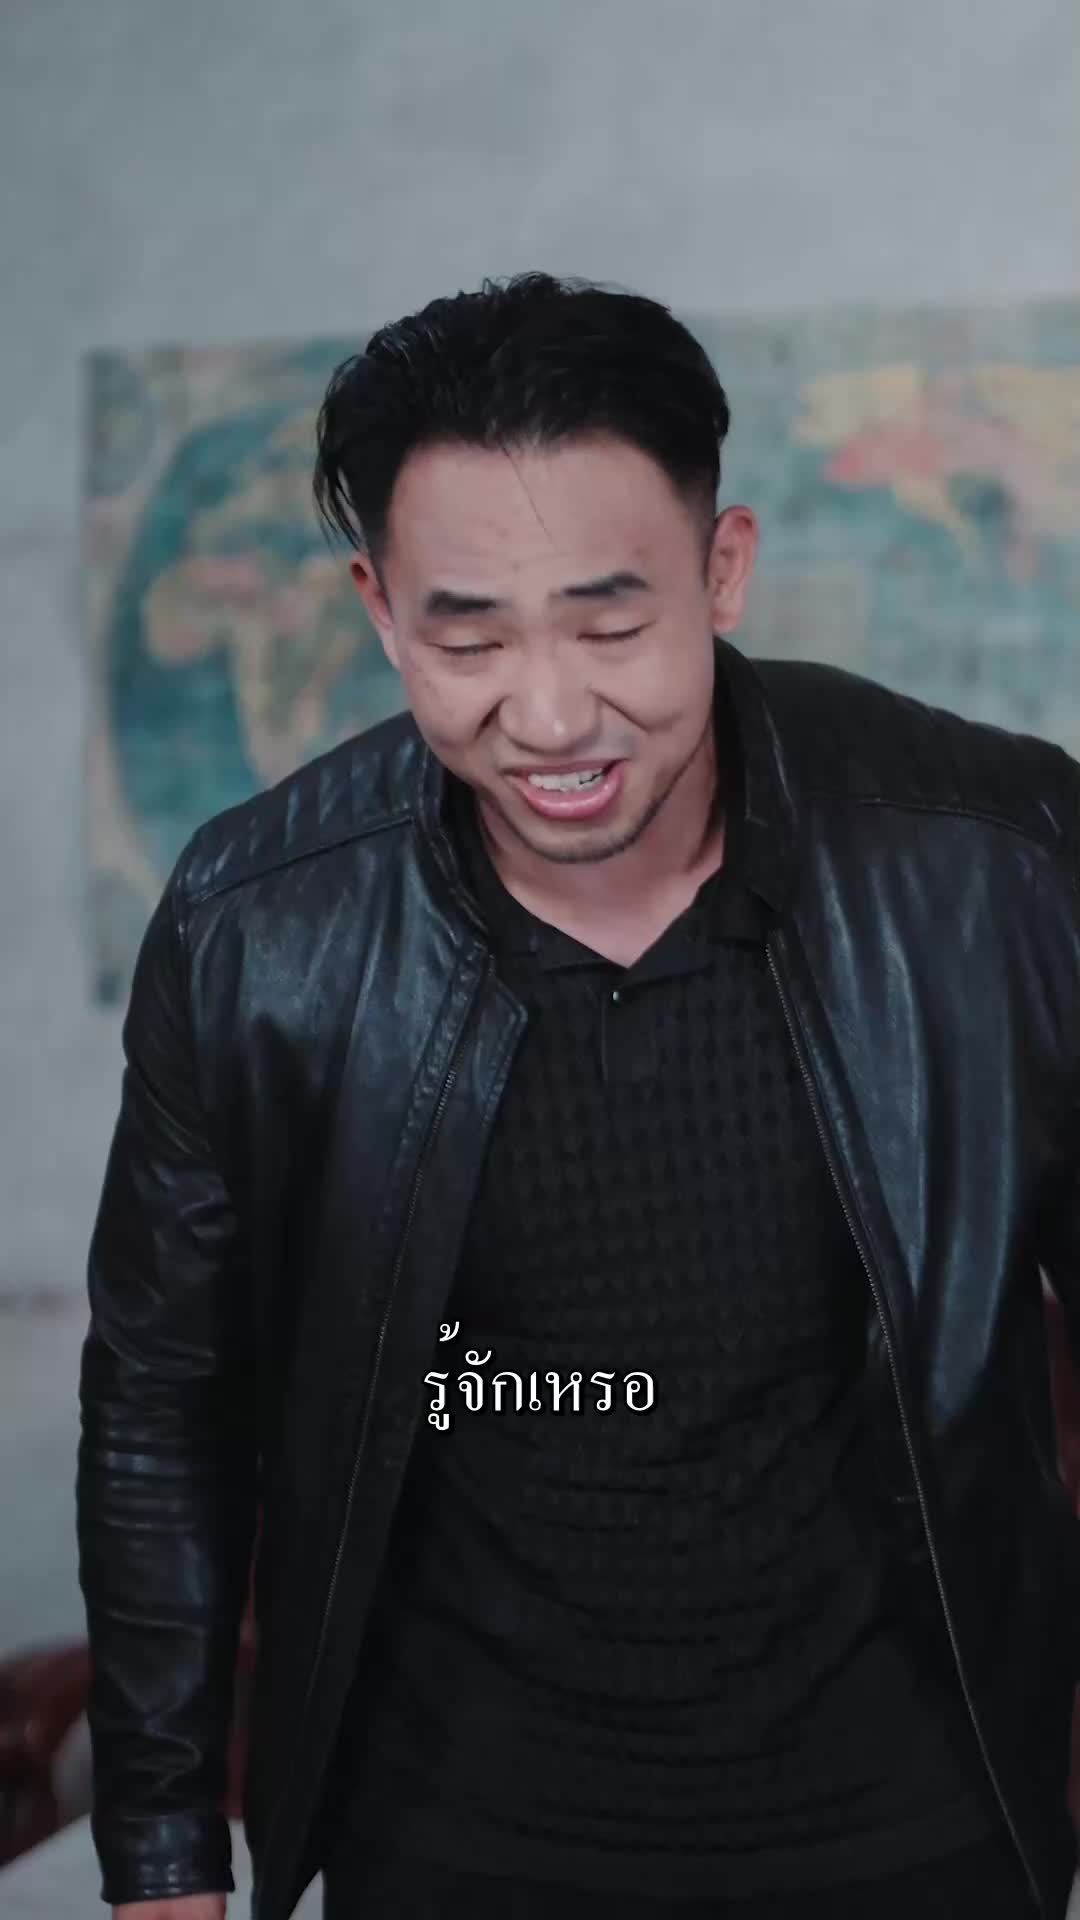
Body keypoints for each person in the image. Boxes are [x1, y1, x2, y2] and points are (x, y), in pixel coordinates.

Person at [75, 271, 1080, 1920]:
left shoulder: (1001, 864)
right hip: (453, 1849)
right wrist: (165, 1854)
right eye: (467, 637)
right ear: (380, 610)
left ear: (723, 568)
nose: (547, 718)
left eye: (611, 626)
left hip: (914, 1830)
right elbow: (166, 1407)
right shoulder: (257, 928)